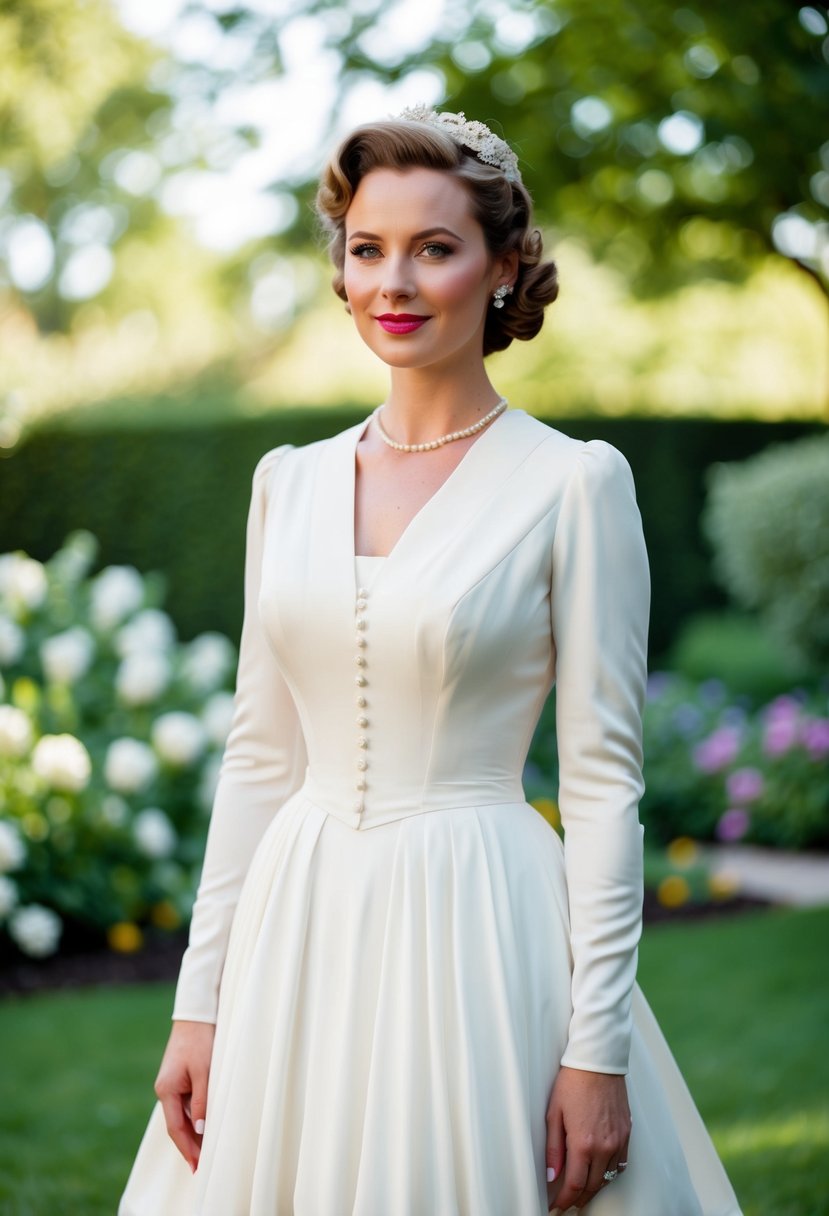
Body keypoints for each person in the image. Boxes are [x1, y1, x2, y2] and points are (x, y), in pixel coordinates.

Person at [119, 106, 742, 1215]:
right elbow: (259, 759)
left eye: (434, 248)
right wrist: (197, 1002)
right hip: (295, 929)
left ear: (504, 268)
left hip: (479, 925)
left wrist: (594, 1049)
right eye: (367, 249)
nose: (393, 282)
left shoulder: (573, 485)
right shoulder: (286, 481)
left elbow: (602, 782)